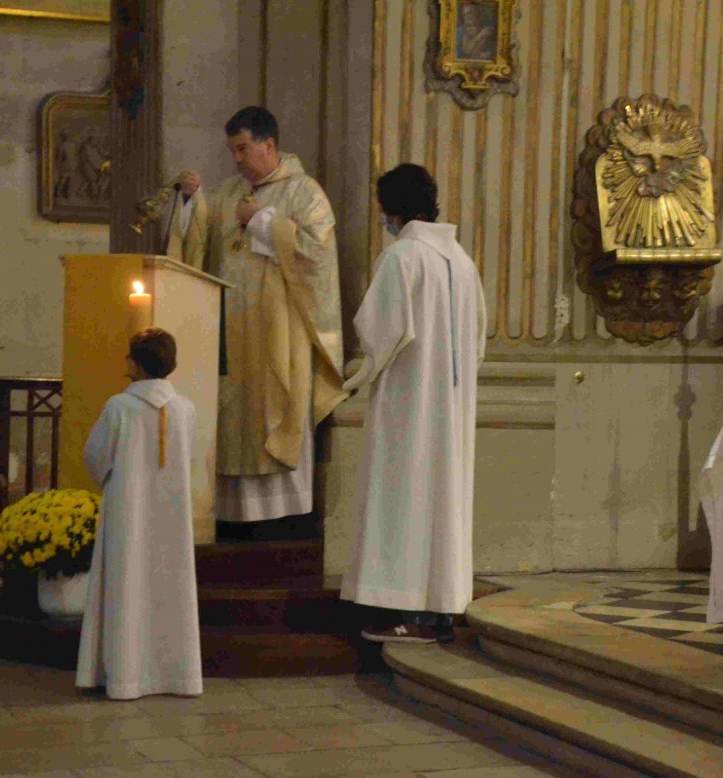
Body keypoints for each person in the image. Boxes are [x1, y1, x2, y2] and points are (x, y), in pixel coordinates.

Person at [170, 106, 345, 534]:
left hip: (279, 333)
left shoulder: (305, 193)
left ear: (269, 145)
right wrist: (192, 202)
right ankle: (235, 523)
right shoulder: (229, 192)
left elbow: (317, 257)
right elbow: (200, 243)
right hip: (234, 332)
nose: (237, 159)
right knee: (236, 421)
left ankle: (283, 523)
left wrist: (264, 223)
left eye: (243, 148)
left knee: (274, 411)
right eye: (232, 150)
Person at [340, 164, 486, 643]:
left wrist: (353, 376)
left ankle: (399, 609)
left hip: (409, 405)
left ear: (395, 208)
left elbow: (381, 332)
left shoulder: (403, 257)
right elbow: (478, 342)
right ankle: (439, 609)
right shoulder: (463, 264)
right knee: (442, 501)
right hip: (452, 406)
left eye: (383, 208)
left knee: (402, 498)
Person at [76, 328, 202, 699]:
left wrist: (115, 476)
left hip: (128, 514)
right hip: (172, 514)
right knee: (169, 586)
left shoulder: (119, 406)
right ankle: (176, 677)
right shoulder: (185, 408)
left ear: (137, 362)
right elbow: (190, 456)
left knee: (126, 584)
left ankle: (126, 678)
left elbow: (94, 455)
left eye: (129, 356)